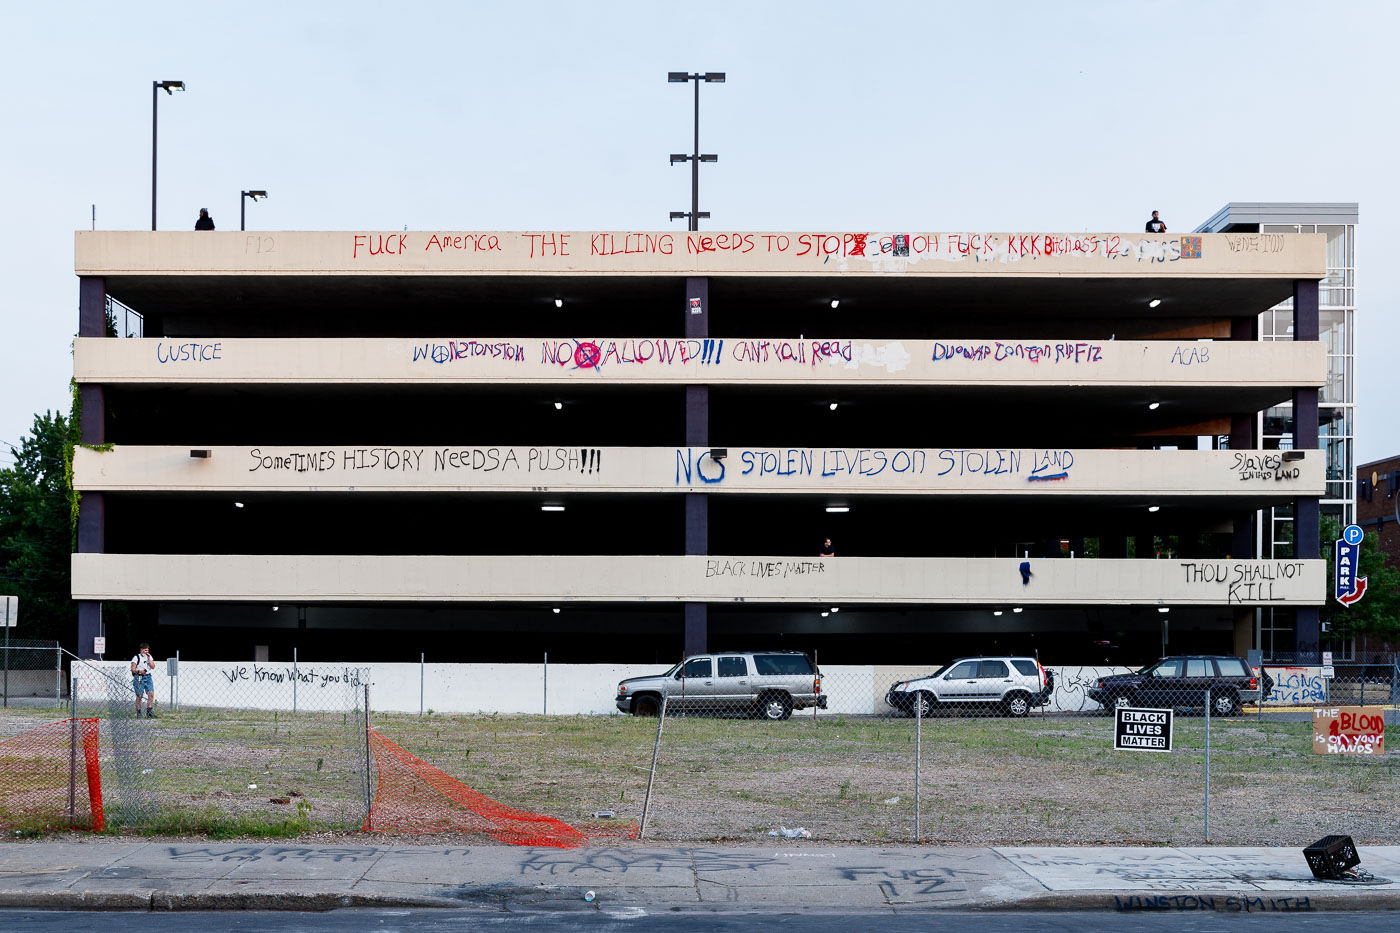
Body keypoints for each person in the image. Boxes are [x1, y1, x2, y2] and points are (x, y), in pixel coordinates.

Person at [131, 643, 157, 718]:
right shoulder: (136, 657)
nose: (147, 652)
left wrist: (149, 659)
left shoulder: (149, 657)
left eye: (147, 650)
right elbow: (133, 669)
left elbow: (153, 667)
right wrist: (139, 671)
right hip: (139, 677)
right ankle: (139, 712)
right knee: (139, 695)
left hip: (148, 677)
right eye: (145, 650)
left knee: (151, 694)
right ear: (141, 650)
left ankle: (149, 711)